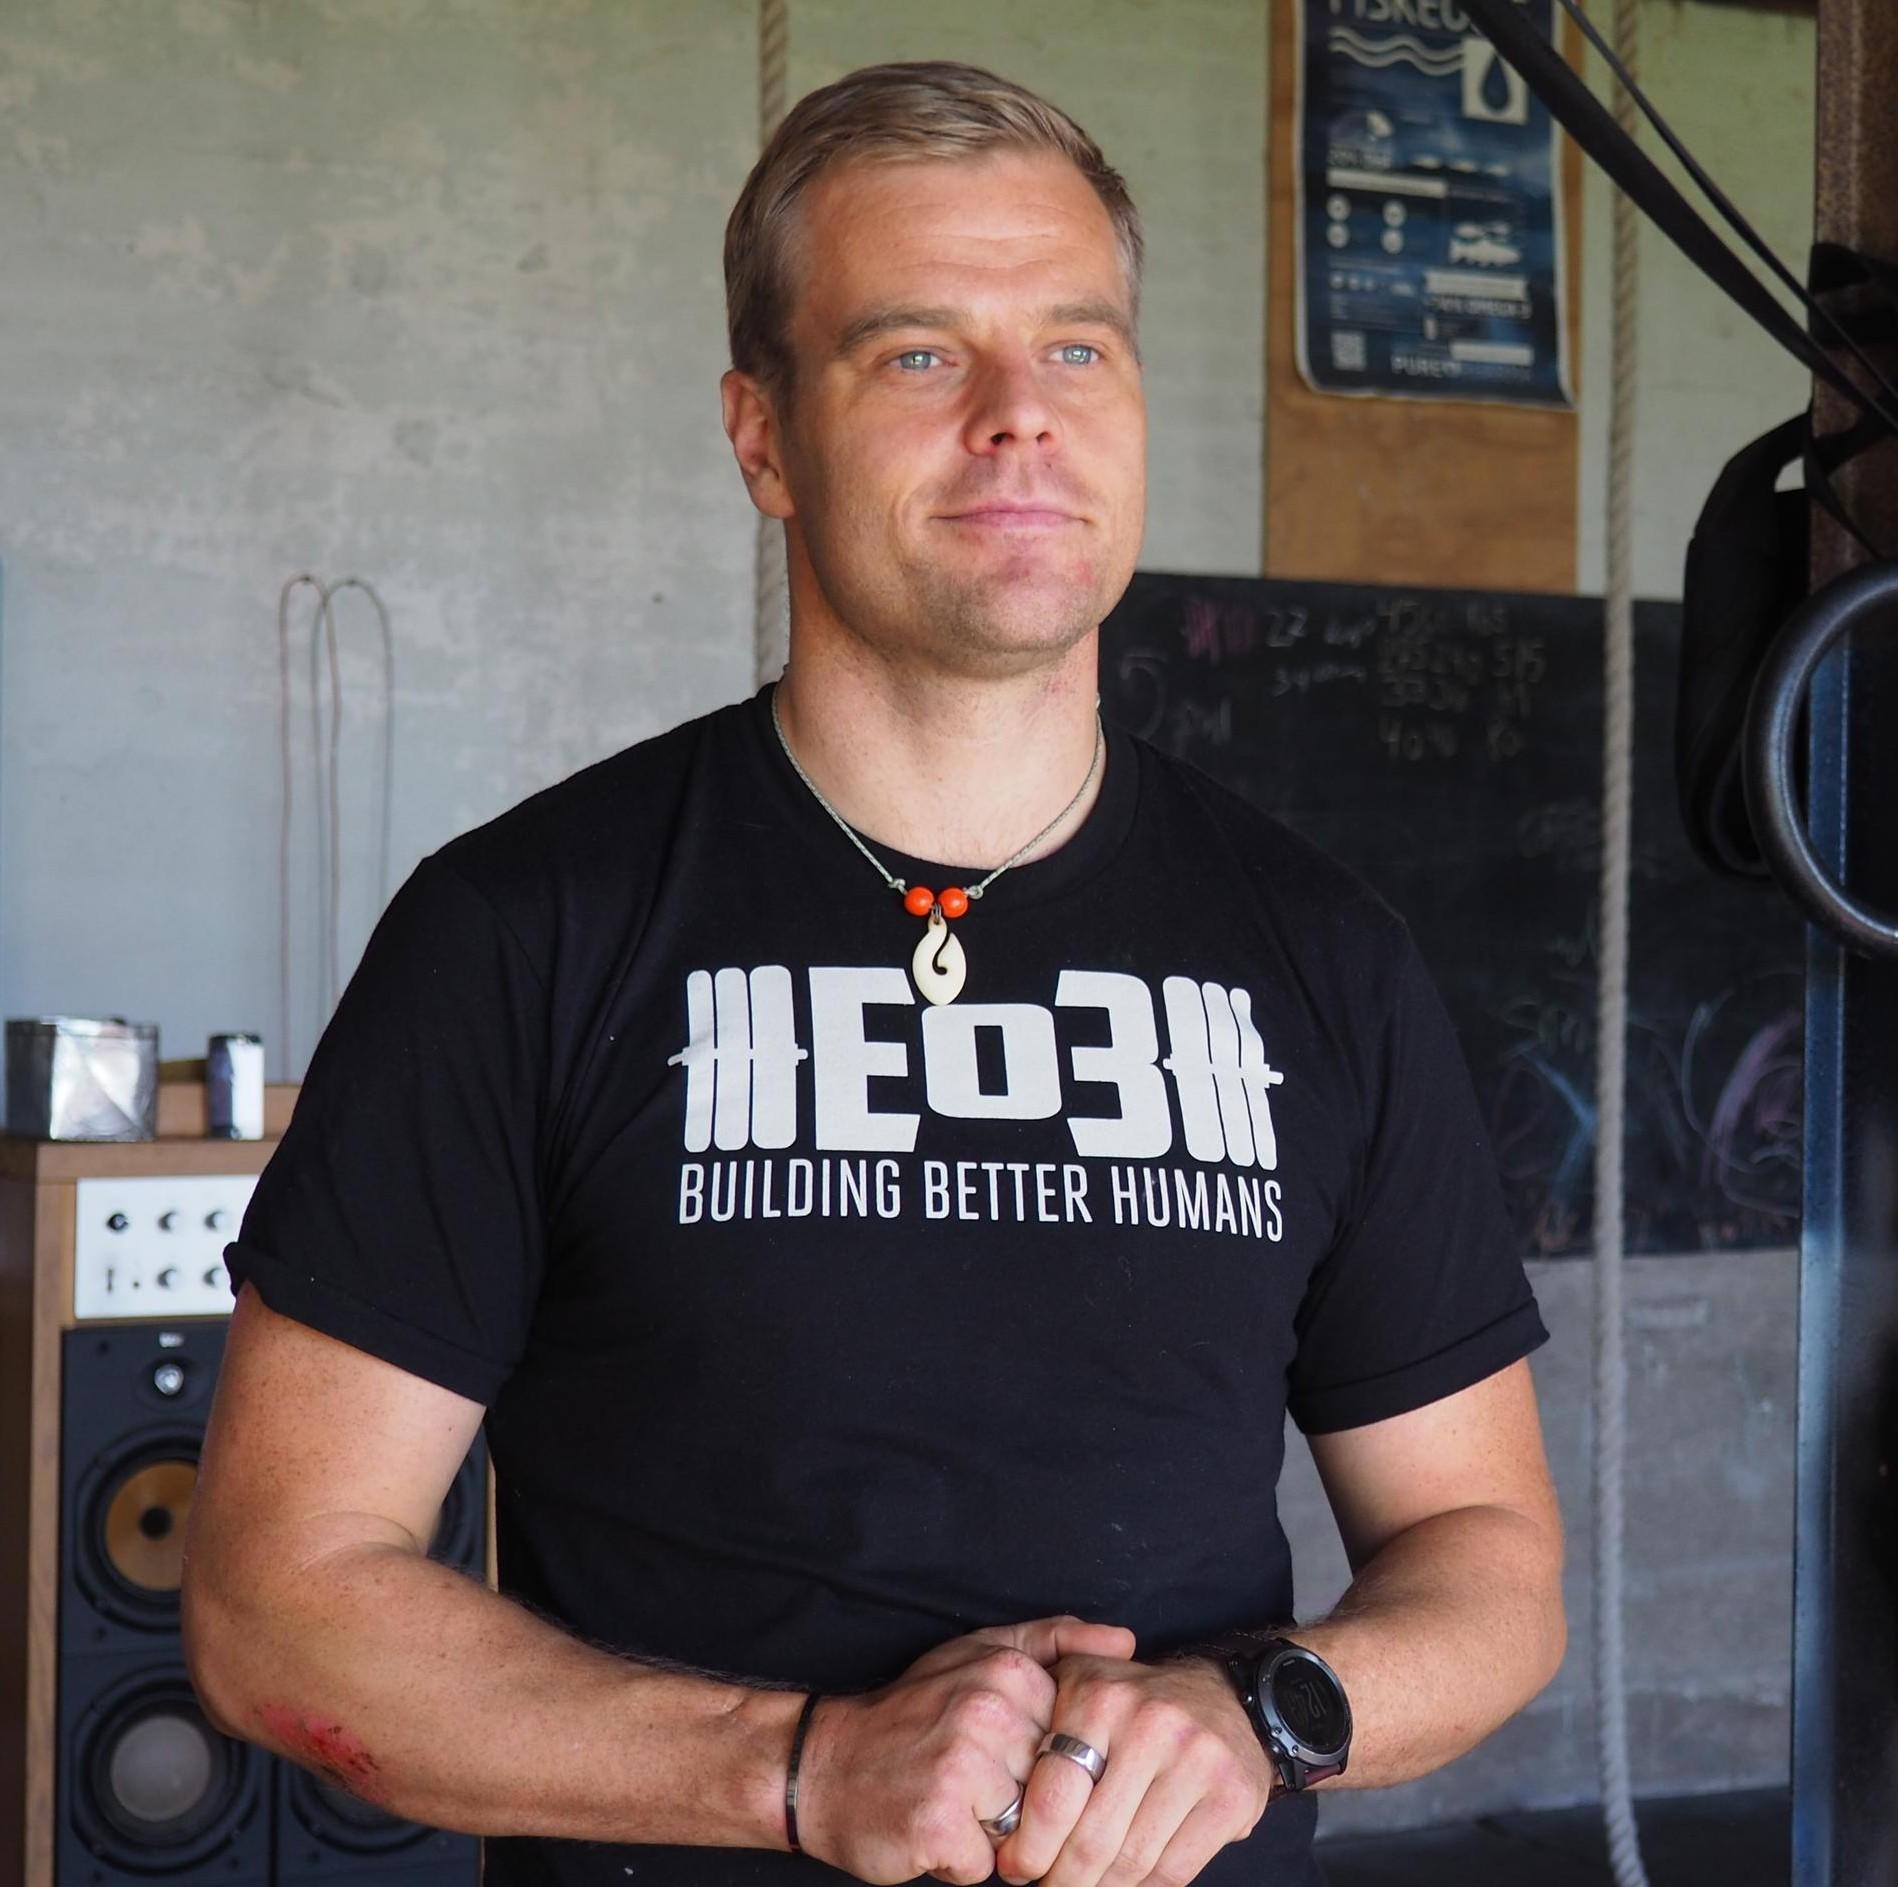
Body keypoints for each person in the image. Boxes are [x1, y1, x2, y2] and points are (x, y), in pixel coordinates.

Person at [181, 59, 1565, 1887]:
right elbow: (273, 1606)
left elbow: (1485, 1558)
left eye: (1075, 347)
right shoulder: (524, 929)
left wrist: (1260, 1712)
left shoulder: (1321, 956)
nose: (1019, 414)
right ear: (762, 439)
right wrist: (800, 1770)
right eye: (917, 352)